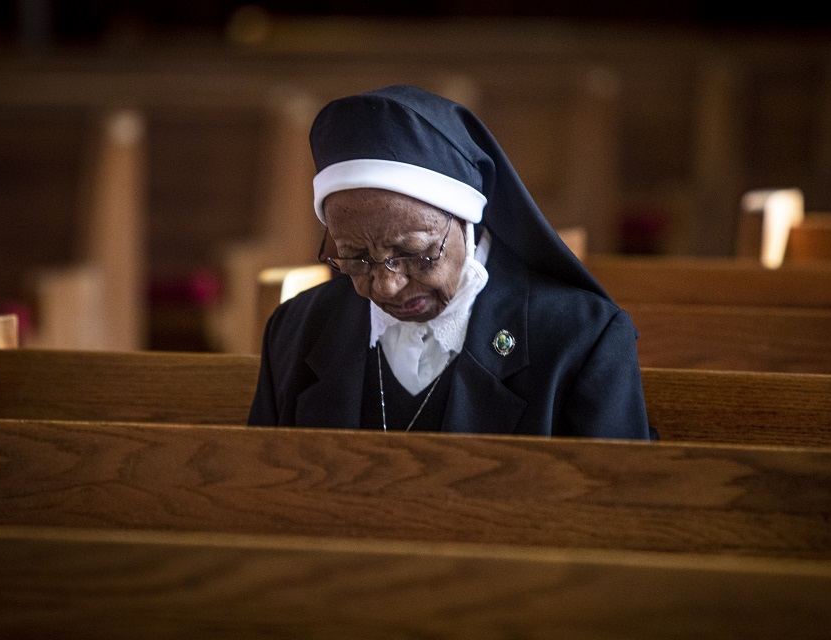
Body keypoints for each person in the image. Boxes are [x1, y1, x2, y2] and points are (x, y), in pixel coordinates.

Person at [249, 85, 651, 439]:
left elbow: (617, 510)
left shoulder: (582, 340)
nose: (386, 286)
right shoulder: (296, 330)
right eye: (356, 258)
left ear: (467, 221)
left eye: (413, 254)